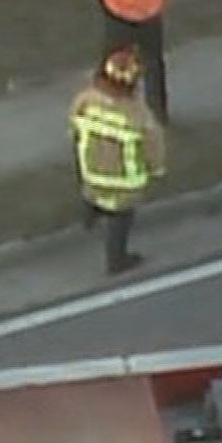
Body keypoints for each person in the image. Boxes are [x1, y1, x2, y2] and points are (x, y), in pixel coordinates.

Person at [74, 0, 185, 123]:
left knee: (153, 64)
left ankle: (158, 114)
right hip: (119, 14)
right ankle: (101, 106)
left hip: (148, 14)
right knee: (111, 62)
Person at [70, 47, 168, 274]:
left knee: (93, 195)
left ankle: (88, 219)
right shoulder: (136, 113)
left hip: (91, 170)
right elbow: (153, 144)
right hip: (124, 180)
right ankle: (117, 260)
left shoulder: (86, 99)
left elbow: (74, 124)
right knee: (120, 218)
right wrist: (157, 169)